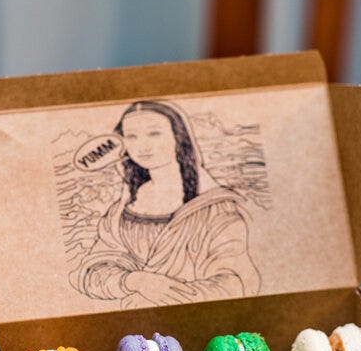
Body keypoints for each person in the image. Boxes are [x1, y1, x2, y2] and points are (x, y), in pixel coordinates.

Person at [71, 100, 260, 308]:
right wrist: (136, 281)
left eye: (154, 133)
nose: (143, 145)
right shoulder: (121, 211)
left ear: (178, 138)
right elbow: (94, 271)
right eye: (132, 136)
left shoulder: (216, 208)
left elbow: (233, 283)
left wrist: (161, 294)